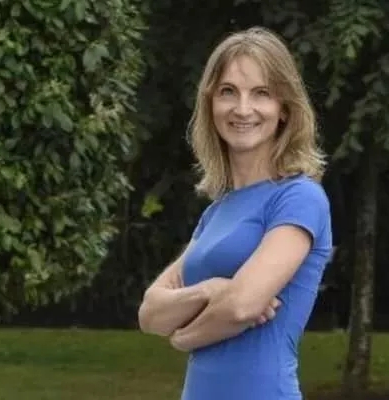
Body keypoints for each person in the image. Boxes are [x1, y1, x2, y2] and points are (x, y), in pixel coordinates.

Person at [138, 26, 332, 400]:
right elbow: (150, 313)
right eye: (228, 92)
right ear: (211, 104)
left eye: (261, 93)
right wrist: (210, 290)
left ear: (284, 109)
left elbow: (243, 306)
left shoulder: (299, 198)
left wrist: (183, 338)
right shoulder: (215, 212)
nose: (243, 109)